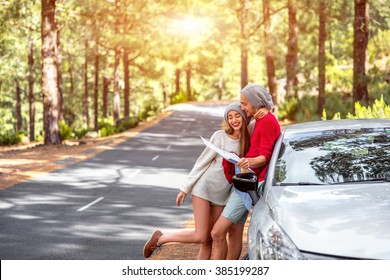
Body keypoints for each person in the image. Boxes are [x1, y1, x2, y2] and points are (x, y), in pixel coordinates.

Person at [143, 102, 251, 259]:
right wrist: (185, 188)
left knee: (208, 240)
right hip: (204, 189)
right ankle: (160, 239)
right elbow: (202, 162)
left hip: (222, 196)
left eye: (237, 116)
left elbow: (260, 121)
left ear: (243, 117)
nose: (234, 120)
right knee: (201, 236)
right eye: (230, 117)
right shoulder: (220, 136)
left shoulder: (247, 143)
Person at [211, 84, 281, 260]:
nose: (241, 108)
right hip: (246, 180)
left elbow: (265, 156)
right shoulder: (261, 119)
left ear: (255, 102)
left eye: (244, 104)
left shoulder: (266, 122)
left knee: (217, 233)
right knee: (234, 232)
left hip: (248, 184)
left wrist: (246, 161)